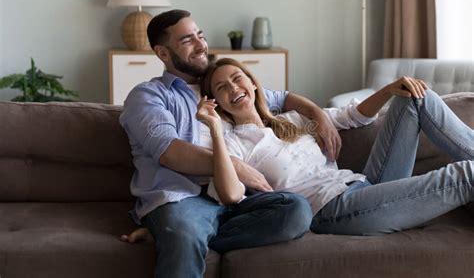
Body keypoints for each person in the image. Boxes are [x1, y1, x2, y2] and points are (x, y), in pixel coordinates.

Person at [119, 9, 343, 278]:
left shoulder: (219, 85)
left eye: (200, 35)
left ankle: (178, 236)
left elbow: (282, 98)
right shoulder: (149, 95)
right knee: (185, 232)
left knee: (295, 209)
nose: (201, 45)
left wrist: (319, 114)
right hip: (184, 198)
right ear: (163, 53)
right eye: (187, 40)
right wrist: (234, 165)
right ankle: (180, 234)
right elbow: (169, 152)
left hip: (235, 197)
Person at [195, 58, 473, 235]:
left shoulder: (292, 119)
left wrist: (389, 89)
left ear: (253, 84)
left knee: (415, 96)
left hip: (364, 186)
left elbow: (355, 115)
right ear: (217, 101)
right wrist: (215, 130)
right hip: (334, 211)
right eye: (222, 87)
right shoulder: (233, 144)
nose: (233, 88)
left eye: (236, 78)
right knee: (467, 174)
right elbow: (230, 194)